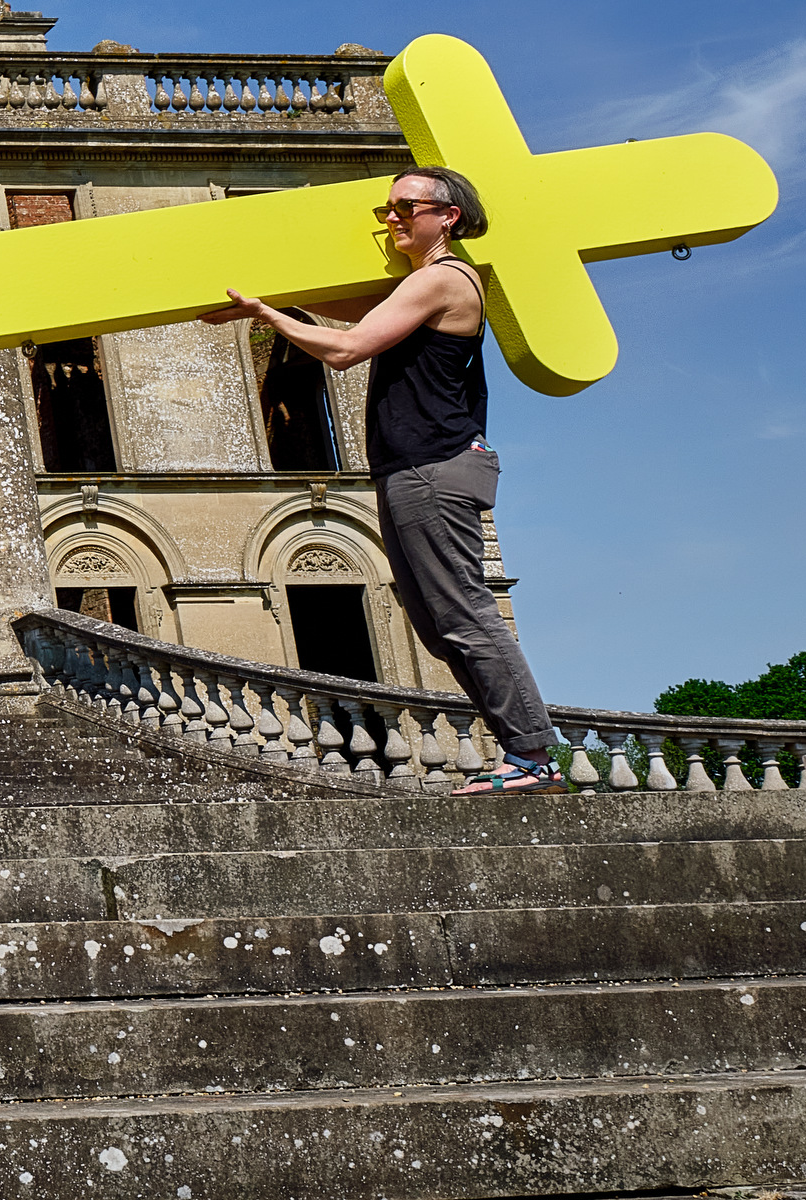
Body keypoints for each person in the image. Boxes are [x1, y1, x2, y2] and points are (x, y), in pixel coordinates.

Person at [207, 167, 562, 792]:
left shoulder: (445, 279)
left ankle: (532, 755)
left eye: (406, 206)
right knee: (437, 623)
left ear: (447, 216)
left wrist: (267, 312)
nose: (391, 216)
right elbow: (347, 308)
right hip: (409, 470)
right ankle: (522, 754)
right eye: (387, 207)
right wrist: (274, 300)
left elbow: (347, 348)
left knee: (464, 615)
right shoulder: (418, 285)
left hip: (436, 467)